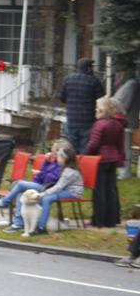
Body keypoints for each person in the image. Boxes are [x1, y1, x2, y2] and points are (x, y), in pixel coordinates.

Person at [0, 140, 70, 228]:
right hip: (40, 184)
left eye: (53, 148)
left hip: (47, 188)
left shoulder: (61, 164)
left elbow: (50, 179)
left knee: (20, 184)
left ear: (58, 151)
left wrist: (40, 173)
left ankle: (5, 202)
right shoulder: (53, 161)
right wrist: (46, 162)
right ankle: (18, 223)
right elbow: (42, 175)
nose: (51, 150)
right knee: (21, 191)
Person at [12, 147, 84, 235]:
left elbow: (58, 187)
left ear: (64, 159)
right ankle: (37, 223)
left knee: (47, 198)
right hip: (66, 190)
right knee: (46, 198)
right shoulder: (65, 168)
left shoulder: (69, 171)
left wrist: (42, 194)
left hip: (73, 193)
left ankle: (41, 227)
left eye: (59, 157)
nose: (57, 158)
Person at [86, 96, 124, 228]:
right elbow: (120, 144)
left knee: (99, 191)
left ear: (101, 109)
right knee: (111, 190)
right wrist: (120, 160)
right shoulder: (118, 124)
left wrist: (87, 155)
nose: (95, 109)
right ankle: (112, 220)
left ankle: (99, 220)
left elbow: (94, 143)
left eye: (97, 107)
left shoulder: (99, 124)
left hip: (100, 160)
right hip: (113, 159)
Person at [58, 58, 105, 153]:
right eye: (92, 68)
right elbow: (102, 100)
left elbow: (62, 97)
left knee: (72, 151)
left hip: (71, 120)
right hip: (88, 121)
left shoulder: (67, 79)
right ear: (88, 68)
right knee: (86, 151)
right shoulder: (94, 81)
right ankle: (85, 167)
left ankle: (72, 167)